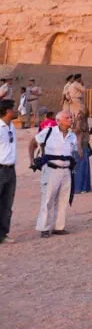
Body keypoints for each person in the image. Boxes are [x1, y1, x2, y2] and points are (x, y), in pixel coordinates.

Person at [29, 111, 77, 238]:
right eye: (67, 118)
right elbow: (32, 143)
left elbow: (73, 152)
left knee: (63, 199)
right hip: (51, 170)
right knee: (48, 198)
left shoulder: (72, 136)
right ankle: (44, 227)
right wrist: (31, 160)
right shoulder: (49, 132)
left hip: (66, 170)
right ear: (58, 121)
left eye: (70, 117)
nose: (70, 119)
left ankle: (58, 227)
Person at [0, 100, 17, 244]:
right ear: (7, 111)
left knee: (7, 204)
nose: (15, 111)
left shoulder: (11, 127)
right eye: (13, 109)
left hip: (11, 170)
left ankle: (3, 234)